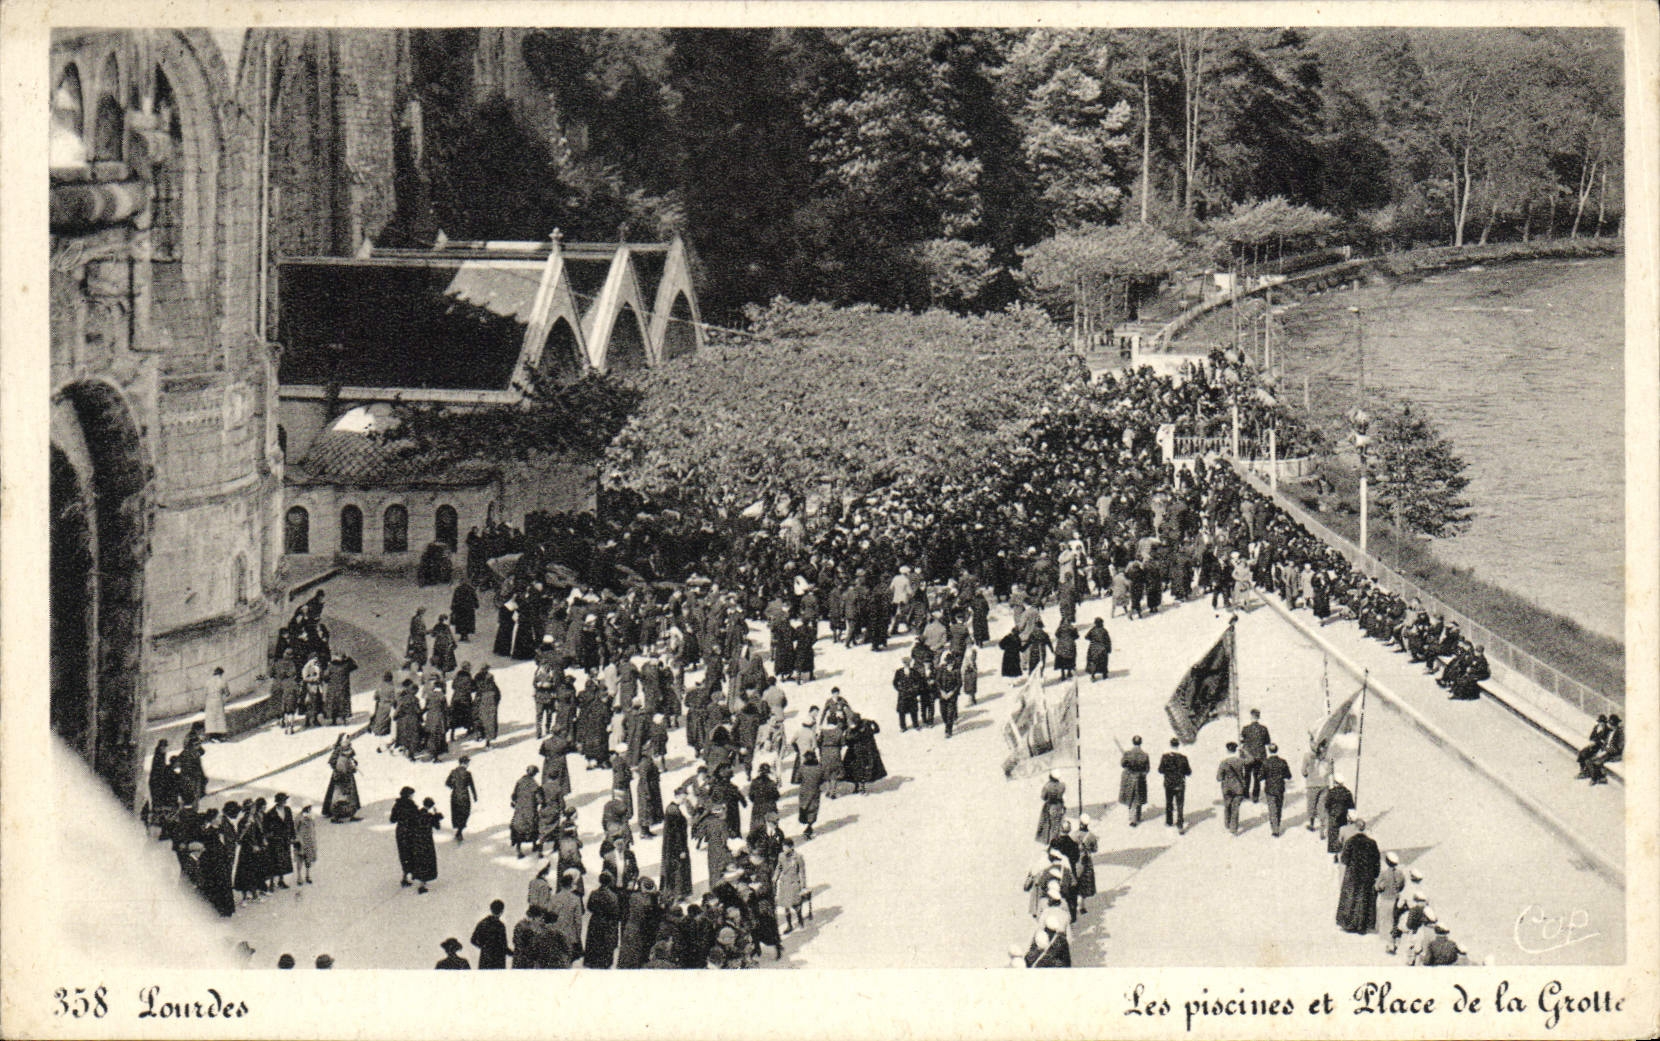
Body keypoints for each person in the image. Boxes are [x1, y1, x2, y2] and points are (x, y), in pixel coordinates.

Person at [391, 787, 441, 893]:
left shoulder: (397, 805)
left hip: (400, 832)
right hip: (411, 833)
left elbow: (392, 819)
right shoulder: (412, 806)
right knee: (415, 856)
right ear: (409, 795)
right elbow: (418, 819)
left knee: (404, 855)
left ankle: (405, 877)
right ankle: (421, 881)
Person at [1336, 818, 1381, 934]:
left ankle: (1349, 924)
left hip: (1353, 876)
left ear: (1355, 827)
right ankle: (1362, 925)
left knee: (1351, 900)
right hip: (1367, 876)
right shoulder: (1372, 843)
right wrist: (1375, 874)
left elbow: (1344, 860)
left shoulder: (1351, 841)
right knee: (1364, 900)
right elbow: (1377, 862)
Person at [584, 871, 623, 969]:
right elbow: (616, 912)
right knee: (605, 946)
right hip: (607, 922)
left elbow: (589, 907)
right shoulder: (613, 896)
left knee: (594, 943)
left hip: (595, 921)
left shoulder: (594, 893)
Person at [774, 836, 810, 933]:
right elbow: (779, 867)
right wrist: (775, 877)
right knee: (786, 906)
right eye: (783, 847)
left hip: (794, 883)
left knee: (796, 904)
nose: (784, 849)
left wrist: (803, 886)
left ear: (791, 847)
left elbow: (802, 872)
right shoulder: (781, 856)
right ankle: (789, 925)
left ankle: (800, 919)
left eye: (786, 847)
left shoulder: (798, 857)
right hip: (784, 883)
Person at [322, 735, 362, 822]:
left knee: (350, 796)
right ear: (341, 741)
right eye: (346, 739)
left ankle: (350, 814)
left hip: (349, 776)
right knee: (338, 797)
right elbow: (332, 761)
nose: (348, 740)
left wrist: (354, 764)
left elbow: (352, 760)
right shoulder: (338, 750)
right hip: (340, 775)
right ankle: (336, 816)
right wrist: (338, 769)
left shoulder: (350, 749)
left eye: (348, 739)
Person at [1374, 852, 1406, 953]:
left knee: (1386, 922)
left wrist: (1381, 887)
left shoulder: (1383, 874)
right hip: (1396, 900)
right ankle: (1394, 942)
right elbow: (1402, 886)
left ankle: (1390, 944)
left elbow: (1377, 887)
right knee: (1395, 921)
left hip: (1385, 900)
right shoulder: (1400, 873)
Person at [1302, 736, 1334, 835]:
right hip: (1324, 784)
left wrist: (1308, 775)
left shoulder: (1307, 756)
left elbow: (1303, 771)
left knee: (1311, 804)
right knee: (1322, 806)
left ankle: (1311, 824)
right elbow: (1331, 772)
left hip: (1312, 784)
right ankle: (1323, 826)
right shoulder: (1328, 757)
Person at [509, 766, 543, 859]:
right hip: (530, 811)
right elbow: (539, 799)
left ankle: (519, 850)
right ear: (534, 774)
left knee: (518, 828)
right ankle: (534, 845)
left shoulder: (519, 781)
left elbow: (513, 796)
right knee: (534, 826)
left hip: (519, 810)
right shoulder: (534, 784)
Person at [1159, 737, 1191, 832]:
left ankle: (1169, 821)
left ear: (1170, 745)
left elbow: (1160, 770)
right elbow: (1188, 772)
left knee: (1169, 802)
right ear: (1178, 745)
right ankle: (1180, 824)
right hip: (1180, 784)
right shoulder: (1183, 758)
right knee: (1180, 804)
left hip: (1169, 783)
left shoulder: (1165, 757)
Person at [1260, 743, 1293, 837]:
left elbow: (1260, 777)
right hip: (1280, 788)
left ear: (1269, 751)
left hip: (1270, 788)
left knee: (1272, 809)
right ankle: (1277, 824)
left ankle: (1275, 829)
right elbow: (1288, 776)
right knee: (1279, 807)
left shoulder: (1265, 762)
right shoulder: (1282, 762)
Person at [1217, 741, 1249, 835]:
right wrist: (1244, 751)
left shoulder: (1224, 762)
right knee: (1235, 808)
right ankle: (1233, 828)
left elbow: (1219, 778)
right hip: (1238, 787)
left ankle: (1227, 823)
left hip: (1227, 788)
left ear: (1227, 750)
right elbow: (1251, 760)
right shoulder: (1240, 761)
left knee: (1227, 805)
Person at [1118, 736, 1150, 826]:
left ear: (1133, 742)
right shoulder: (1145, 755)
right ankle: (1137, 816)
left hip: (1129, 777)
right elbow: (1147, 769)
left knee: (1131, 797)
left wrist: (1126, 759)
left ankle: (1133, 819)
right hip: (1140, 778)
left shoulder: (1128, 753)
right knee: (1138, 797)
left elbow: (1123, 764)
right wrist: (1142, 774)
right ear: (1141, 743)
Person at [1240, 708, 1270, 802]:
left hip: (1248, 755)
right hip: (1259, 756)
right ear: (1258, 717)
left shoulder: (1245, 729)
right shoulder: (1264, 729)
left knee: (1247, 775)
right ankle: (1255, 796)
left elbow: (1241, 741)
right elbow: (1267, 742)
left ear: (1251, 717)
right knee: (1257, 777)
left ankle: (1245, 793)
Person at [471, 899, 511, 969]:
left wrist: (485, 947)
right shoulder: (500, 926)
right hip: (498, 960)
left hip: (485, 959)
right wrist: (513, 953)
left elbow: (473, 940)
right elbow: (503, 946)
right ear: (502, 911)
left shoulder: (483, 923)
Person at [445, 756, 477, 843]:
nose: (468, 764)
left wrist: (454, 786)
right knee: (465, 813)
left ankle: (459, 831)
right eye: (467, 763)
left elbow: (447, 783)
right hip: (464, 796)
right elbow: (472, 786)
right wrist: (475, 796)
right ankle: (459, 832)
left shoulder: (453, 772)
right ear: (464, 763)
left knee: (457, 813)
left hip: (455, 796)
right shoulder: (467, 773)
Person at [1324, 772, 1357, 857]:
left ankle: (1334, 853)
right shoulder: (1347, 792)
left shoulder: (1331, 792)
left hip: (1333, 816)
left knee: (1333, 834)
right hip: (1343, 816)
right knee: (1342, 834)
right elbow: (1351, 806)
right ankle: (1342, 851)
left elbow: (1327, 805)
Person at [1073, 814, 1099, 913]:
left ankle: (1074, 902)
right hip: (1086, 861)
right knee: (1084, 883)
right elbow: (1095, 849)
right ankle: (1082, 905)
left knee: (1075, 881)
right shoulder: (1091, 836)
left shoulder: (1073, 835)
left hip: (1075, 861)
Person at [797, 751, 824, 840]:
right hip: (815, 790)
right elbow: (822, 778)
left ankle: (804, 820)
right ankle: (809, 826)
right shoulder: (819, 767)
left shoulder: (802, 767)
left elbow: (798, 778)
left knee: (804, 806)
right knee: (813, 808)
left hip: (804, 790)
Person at [1035, 774, 1067, 846]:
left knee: (1047, 825)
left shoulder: (1047, 786)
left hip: (1050, 806)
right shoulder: (1062, 785)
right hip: (1059, 806)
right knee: (1057, 825)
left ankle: (1049, 842)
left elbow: (1043, 797)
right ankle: (1055, 842)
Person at [204, 667, 230, 741]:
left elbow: (205, 693)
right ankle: (220, 736)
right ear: (221, 673)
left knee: (211, 718)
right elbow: (227, 693)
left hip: (209, 701)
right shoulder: (222, 681)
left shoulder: (208, 681)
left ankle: (211, 736)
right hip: (218, 701)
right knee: (219, 718)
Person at [293, 804, 317, 884]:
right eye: (307, 807)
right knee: (300, 859)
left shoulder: (311, 816)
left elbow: (313, 828)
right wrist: (297, 839)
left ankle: (307, 875)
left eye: (309, 807)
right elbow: (295, 829)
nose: (309, 809)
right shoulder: (299, 817)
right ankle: (299, 876)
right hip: (301, 840)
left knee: (308, 858)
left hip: (309, 840)